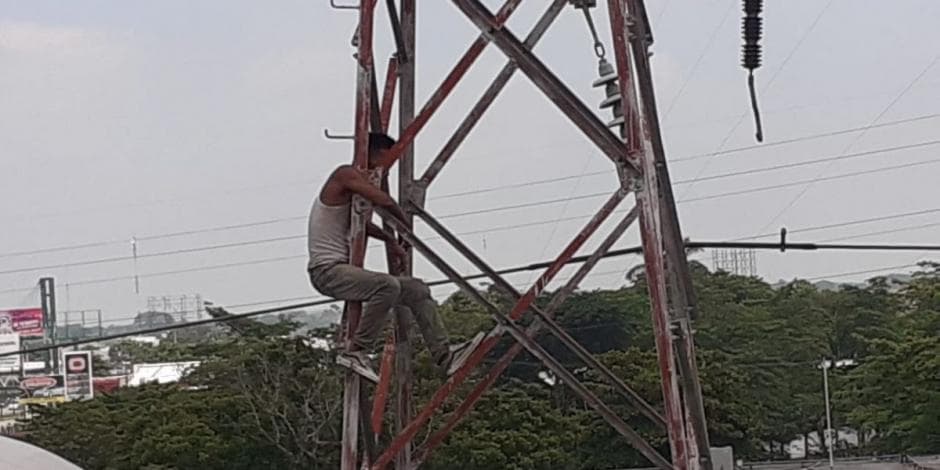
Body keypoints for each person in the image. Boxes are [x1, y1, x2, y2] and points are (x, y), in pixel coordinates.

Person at [307, 132, 484, 382]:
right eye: (387, 161)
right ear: (378, 153)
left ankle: (444, 356)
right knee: (386, 285)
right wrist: (404, 228)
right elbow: (383, 201)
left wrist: (390, 240)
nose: (386, 169)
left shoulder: (352, 191)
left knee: (417, 289)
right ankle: (356, 351)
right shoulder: (344, 174)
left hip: (342, 271)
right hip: (327, 272)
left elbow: (361, 225)